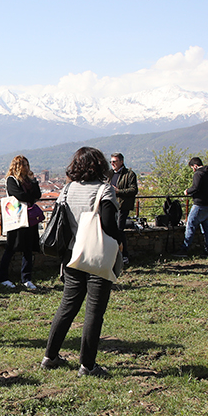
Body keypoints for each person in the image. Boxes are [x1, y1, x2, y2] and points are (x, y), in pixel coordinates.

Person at [41, 147, 125, 377]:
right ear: (100, 166)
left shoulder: (67, 190)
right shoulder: (104, 190)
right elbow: (109, 225)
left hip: (71, 256)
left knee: (67, 307)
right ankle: (87, 365)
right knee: (94, 312)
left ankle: (50, 356)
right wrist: (120, 243)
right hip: (96, 256)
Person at [0, 155, 41, 290]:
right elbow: (18, 195)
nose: (27, 168)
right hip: (16, 218)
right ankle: (3, 277)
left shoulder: (29, 180)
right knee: (11, 248)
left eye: (27, 165)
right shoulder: (11, 180)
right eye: (24, 165)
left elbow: (38, 194)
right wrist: (31, 197)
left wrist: (33, 182)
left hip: (29, 219)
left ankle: (26, 278)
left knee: (28, 249)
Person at [174, 157, 208, 255]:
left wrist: (187, 191)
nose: (193, 170)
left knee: (190, 225)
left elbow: (195, 187)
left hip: (199, 205)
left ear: (195, 166)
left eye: (192, 168)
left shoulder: (198, 174)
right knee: (206, 228)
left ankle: (184, 249)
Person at [108, 152, 139, 231]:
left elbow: (134, 190)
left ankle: (121, 243)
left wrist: (118, 191)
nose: (112, 163)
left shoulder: (129, 174)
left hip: (122, 206)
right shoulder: (109, 174)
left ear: (121, 162)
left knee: (119, 230)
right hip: (110, 206)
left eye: (114, 161)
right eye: (111, 162)